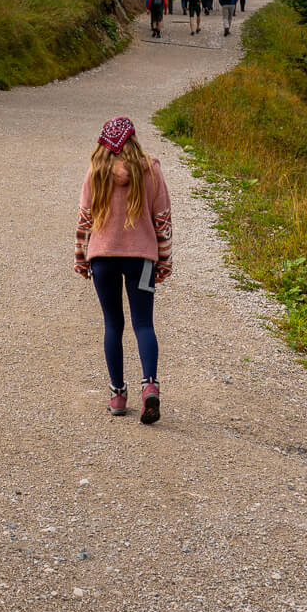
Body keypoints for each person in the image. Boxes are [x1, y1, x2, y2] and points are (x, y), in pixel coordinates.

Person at [75, 115, 172, 423]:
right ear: (133, 140)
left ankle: (118, 394)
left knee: (113, 325)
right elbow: (162, 220)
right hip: (141, 259)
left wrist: (81, 256)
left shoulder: (97, 171)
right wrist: (164, 260)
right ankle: (150, 386)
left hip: (102, 258)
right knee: (144, 324)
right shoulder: (150, 170)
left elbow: (85, 219)